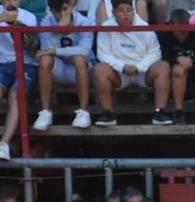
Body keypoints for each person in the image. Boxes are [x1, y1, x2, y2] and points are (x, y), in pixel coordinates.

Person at [94, 0, 172, 127]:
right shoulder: (105, 27)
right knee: (99, 69)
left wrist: (139, 67)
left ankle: (160, 112)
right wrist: (122, 67)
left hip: (143, 73)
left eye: (129, 10)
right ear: (113, 12)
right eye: (121, 11)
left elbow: (155, 52)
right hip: (119, 74)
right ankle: (107, 113)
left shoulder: (144, 26)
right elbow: (102, 54)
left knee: (163, 66)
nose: (126, 14)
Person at [33, 0, 94, 131]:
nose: (62, 13)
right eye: (58, 10)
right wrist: (57, 30)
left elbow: (84, 50)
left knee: (79, 58)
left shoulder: (84, 22)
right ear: (51, 9)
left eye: (65, 9)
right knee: (45, 60)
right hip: (59, 69)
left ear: (70, 6)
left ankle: (84, 112)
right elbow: (46, 50)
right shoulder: (46, 22)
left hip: (80, 69)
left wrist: (57, 51)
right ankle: (45, 113)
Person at [160, 9, 195, 125]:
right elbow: (162, 55)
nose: (183, 34)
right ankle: (179, 112)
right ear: (171, 25)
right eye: (179, 31)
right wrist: (176, 60)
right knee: (178, 71)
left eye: (186, 31)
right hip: (176, 68)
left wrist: (189, 64)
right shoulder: (165, 33)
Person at [0, 0, 39, 161]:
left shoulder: (29, 17)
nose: (11, 2)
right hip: (2, 65)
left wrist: (16, 24)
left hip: (26, 64)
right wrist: (2, 19)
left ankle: (3, 144)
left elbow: (32, 47)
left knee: (16, 94)